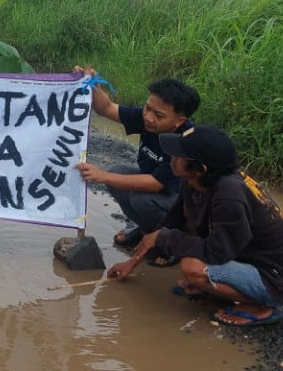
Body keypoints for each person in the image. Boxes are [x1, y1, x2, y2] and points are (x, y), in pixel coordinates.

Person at [108, 125, 283, 327]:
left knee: (193, 268)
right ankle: (223, 288)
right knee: (189, 252)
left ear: (201, 169)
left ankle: (265, 305)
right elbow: (172, 221)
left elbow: (218, 251)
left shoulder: (229, 193)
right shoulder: (194, 180)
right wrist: (132, 262)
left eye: (179, 155)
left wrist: (165, 238)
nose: (172, 157)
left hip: (273, 276)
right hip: (244, 256)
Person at [75, 69, 200, 262]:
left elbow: (155, 184)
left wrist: (101, 176)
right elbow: (106, 108)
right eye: (147, 108)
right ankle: (145, 231)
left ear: (179, 121)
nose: (149, 117)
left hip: (185, 205)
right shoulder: (148, 119)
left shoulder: (184, 140)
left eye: (158, 115)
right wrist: (92, 84)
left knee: (142, 199)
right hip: (160, 191)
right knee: (118, 173)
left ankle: (170, 246)